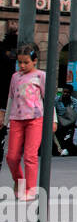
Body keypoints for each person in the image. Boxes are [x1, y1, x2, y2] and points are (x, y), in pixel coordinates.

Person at [1, 43, 45, 199]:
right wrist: (5, 120)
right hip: (16, 119)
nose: (22, 65)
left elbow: (48, 99)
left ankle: (31, 189)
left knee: (30, 156)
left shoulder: (41, 76)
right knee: (11, 157)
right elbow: (10, 98)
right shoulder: (15, 77)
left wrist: (52, 120)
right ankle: (19, 181)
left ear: (34, 61)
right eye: (20, 62)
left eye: (26, 62)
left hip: (35, 119)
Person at [55, 85, 77, 156]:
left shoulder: (74, 101)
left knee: (70, 134)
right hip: (60, 122)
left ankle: (71, 150)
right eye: (64, 92)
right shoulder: (56, 100)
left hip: (69, 122)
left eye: (67, 92)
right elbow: (54, 112)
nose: (65, 94)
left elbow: (76, 113)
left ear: (71, 93)